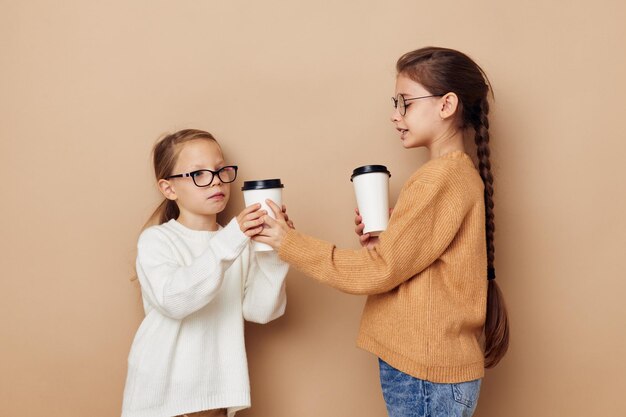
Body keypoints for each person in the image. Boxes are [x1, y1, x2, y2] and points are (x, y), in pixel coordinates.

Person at [255, 47, 509, 417]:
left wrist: (287, 242)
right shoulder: (453, 175)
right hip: (431, 370)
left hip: (425, 372)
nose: (395, 115)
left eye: (405, 102)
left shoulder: (440, 178)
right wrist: (387, 241)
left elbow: (380, 271)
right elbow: (411, 264)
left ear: (446, 104)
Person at [121, 129, 289, 417]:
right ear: (169, 188)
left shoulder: (235, 242)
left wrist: (275, 251)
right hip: (161, 400)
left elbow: (260, 311)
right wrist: (232, 240)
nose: (216, 181)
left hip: (215, 402)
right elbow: (175, 300)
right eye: (199, 174)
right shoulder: (157, 240)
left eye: (220, 170)